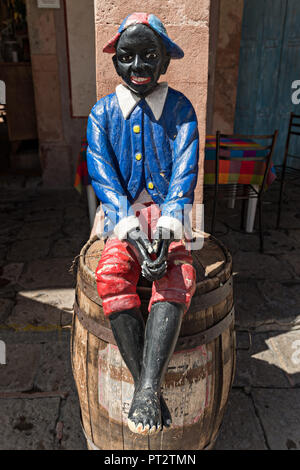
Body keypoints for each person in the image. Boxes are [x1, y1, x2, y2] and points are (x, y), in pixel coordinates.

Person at [86, 12, 199, 436]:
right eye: (128, 57)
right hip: (123, 218)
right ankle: (148, 387)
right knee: (112, 274)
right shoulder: (103, 114)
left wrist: (166, 235)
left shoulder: (181, 110)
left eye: (149, 56)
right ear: (116, 61)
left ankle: (145, 388)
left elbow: (185, 175)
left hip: (169, 214)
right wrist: (134, 239)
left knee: (177, 274)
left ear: (165, 61)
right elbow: (105, 180)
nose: (138, 68)